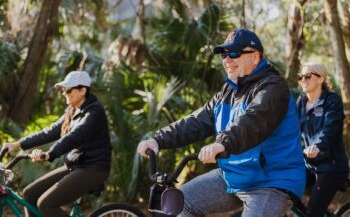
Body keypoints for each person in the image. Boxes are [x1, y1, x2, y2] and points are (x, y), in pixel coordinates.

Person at [138, 29, 306, 217]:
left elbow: (253, 122)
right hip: (233, 176)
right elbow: (196, 121)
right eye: (224, 55)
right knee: (182, 204)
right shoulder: (228, 92)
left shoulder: (273, 87)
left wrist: (221, 143)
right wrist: (158, 140)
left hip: (272, 181)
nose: (227, 60)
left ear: (256, 56)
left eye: (234, 53)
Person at [2, 71, 112, 217]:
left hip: (93, 168)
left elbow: (75, 136)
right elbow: (49, 132)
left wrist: (50, 154)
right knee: (30, 194)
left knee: (46, 204)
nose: (64, 93)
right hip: (76, 164)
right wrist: (17, 144)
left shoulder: (94, 112)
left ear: (82, 90)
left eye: (68, 90)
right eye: (63, 90)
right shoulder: (72, 111)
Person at [296, 63, 349, 217]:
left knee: (313, 213)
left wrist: (317, 147)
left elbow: (329, 130)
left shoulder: (332, 101)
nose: (303, 80)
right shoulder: (301, 102)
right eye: (301, 77)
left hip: (331, 166)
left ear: (321, 79)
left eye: (307, 76)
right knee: (282, 190)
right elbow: (290, 130)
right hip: (309, 164)